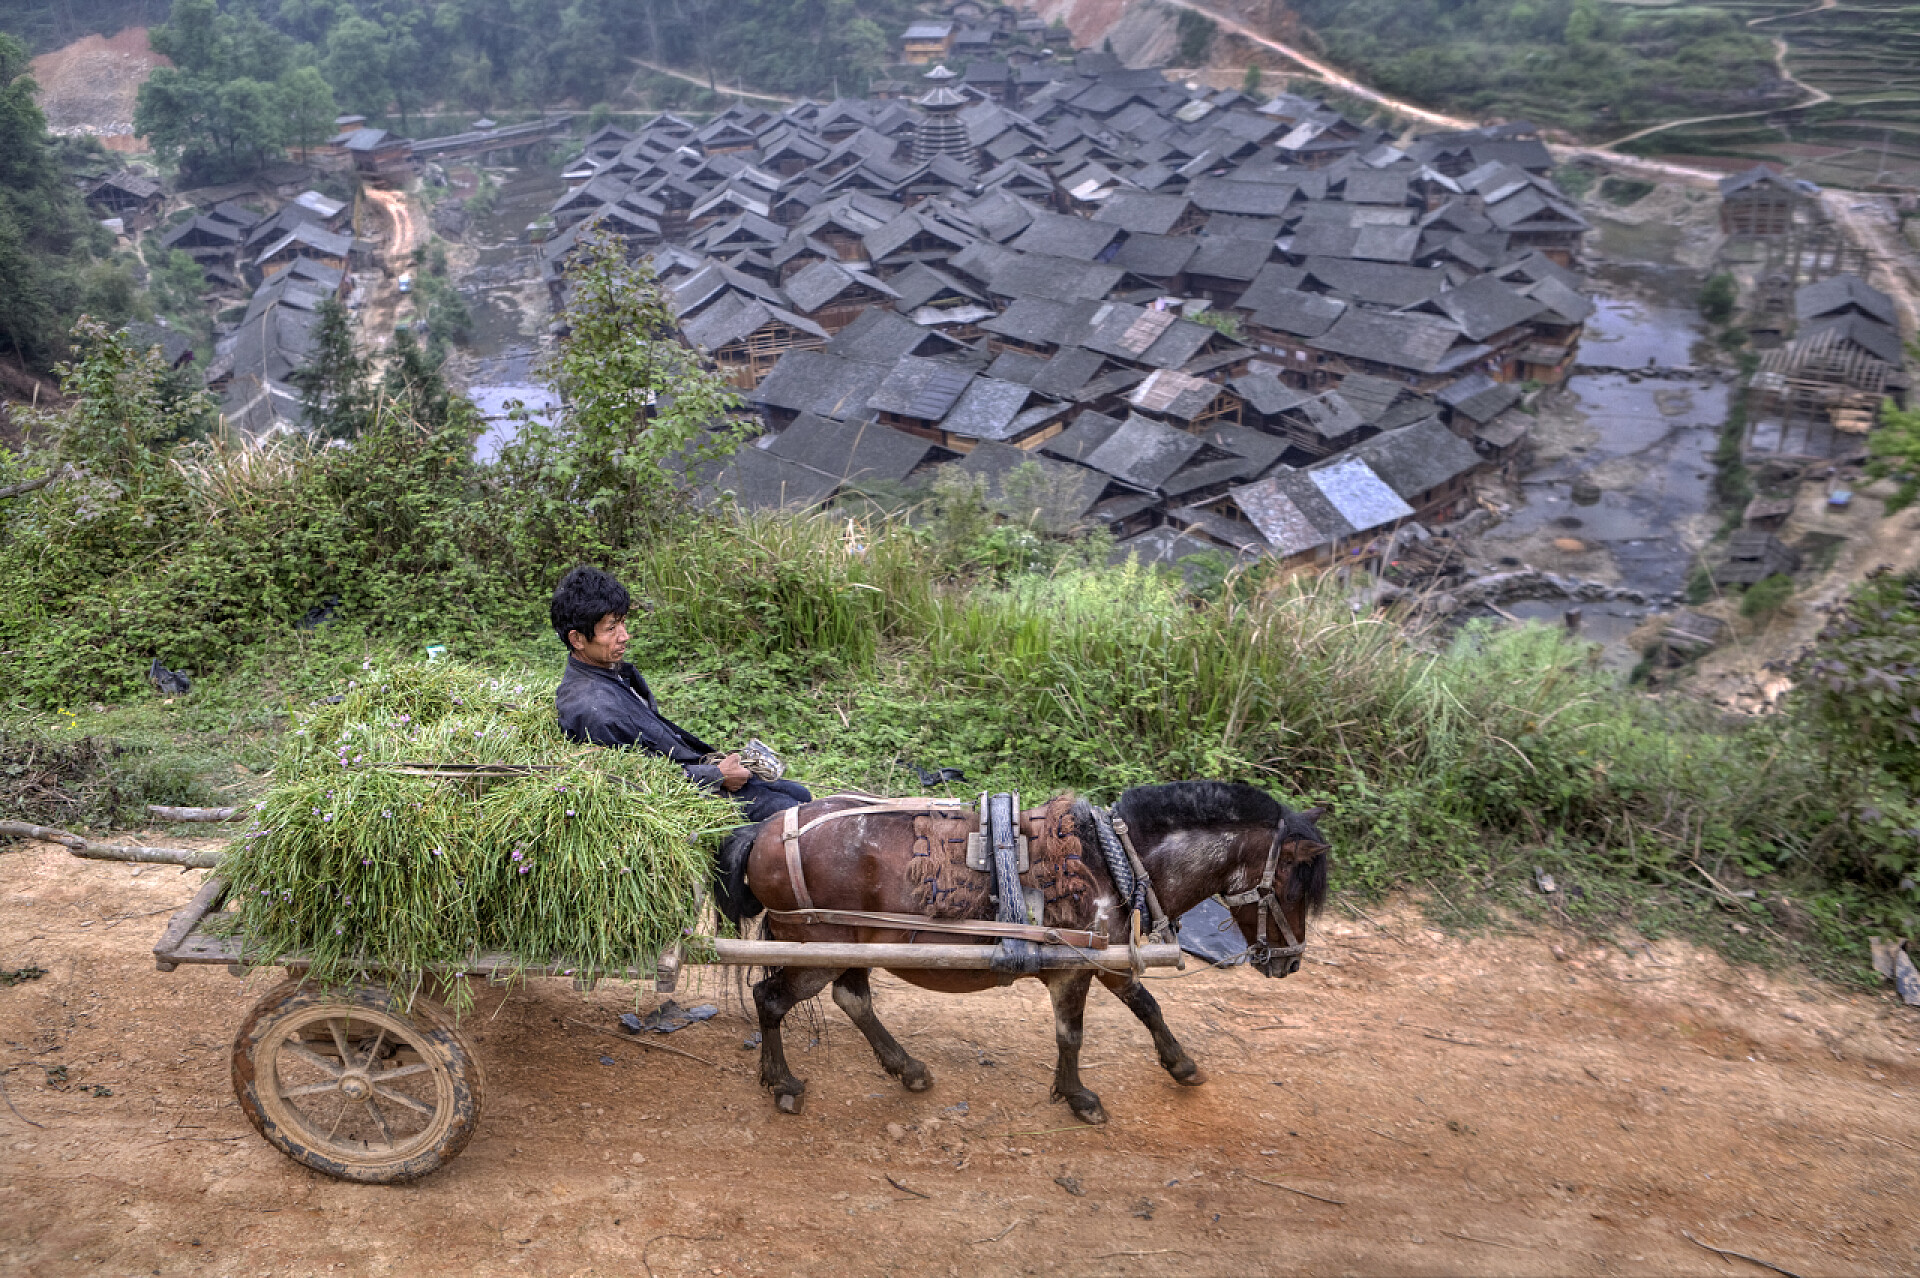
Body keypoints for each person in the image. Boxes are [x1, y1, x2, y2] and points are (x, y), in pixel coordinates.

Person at [551, 566, 812, 823]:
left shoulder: (609, 671)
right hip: (683, 799)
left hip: (694, 771)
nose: (625, 636)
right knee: (793, 810)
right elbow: (634, 781)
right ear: (577, 640)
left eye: (622, 623)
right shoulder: (594, 709)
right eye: (611, 629)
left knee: (800, 793)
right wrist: (716, 775)